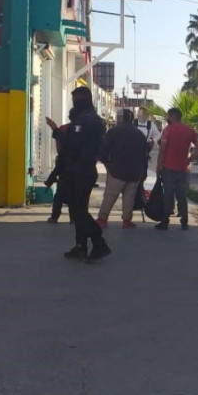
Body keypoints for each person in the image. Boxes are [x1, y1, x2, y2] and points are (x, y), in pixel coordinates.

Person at [46, 86, 109, 263]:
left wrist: (56, 130)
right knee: (77, 209)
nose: (74, 103)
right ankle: (81, 245)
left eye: (76, 100)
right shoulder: (92, 119)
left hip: (81, 170)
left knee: (79, 211)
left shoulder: (85, 120)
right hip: (83, 169)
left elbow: (73, 142)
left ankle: (99, 243)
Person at [96, 109, 148, 229]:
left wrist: (106, 163)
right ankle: (126, 220)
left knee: (110, 195)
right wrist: (143, 171)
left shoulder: (113, 132)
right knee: (129, 197)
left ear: (120, 119)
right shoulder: (139, 134)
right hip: (134, 172)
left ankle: (102, 219)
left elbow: (104, 149)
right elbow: (144, 155)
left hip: (116, 170)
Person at [155, 107, 198, 231]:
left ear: (172, 116)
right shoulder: (189, 131)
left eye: (168, 116)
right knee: (182, 195)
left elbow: (162, 149)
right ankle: (184, 222)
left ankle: (165, 221)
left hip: (168, 168)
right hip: (182, 168)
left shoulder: (168, 130)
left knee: (168, 194)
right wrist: (190, 158)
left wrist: (158, 165)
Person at [45, 109, 76, 224]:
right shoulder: (82, 130)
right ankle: (73, 218)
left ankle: (54, 217)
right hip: (77, 172)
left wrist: (49, 180)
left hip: (65, 175)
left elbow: (58, 169)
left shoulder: (65, 129)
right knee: (74, 198)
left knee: (59, 197)